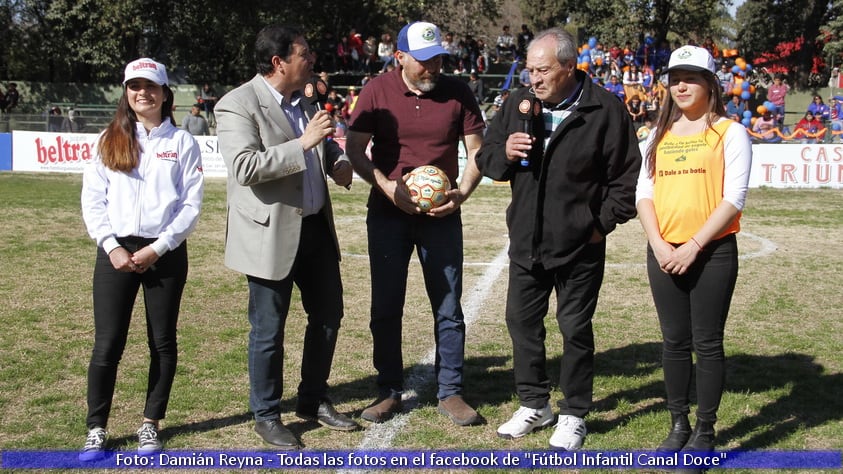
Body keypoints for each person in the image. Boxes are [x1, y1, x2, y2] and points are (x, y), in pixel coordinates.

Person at [475, 27, 641, 449]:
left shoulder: (605, 109)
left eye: (543, 69)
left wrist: (598, 226)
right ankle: (534, 403)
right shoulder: (517, 103)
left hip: (581, 244)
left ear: (569, 66)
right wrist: (504, 153)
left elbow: (626, 179)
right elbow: (487, 159)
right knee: (522, 323)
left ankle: (574, 413)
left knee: (574, 327)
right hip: (527, 240)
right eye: (530, 69)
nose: (533, 78)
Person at [214, 24, 357, 450]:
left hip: (314, 227)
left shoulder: (305, 97)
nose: (312, 60)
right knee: (268, 330)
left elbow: (322, 143)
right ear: (279, 62)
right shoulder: (236, 104)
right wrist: (304, 142)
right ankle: (267, 415)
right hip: (270, 234)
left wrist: (337, 159)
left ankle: (312, 400)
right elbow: (245, 167)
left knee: (328, 317)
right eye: (305, 54)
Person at [344, 20, 486, 427]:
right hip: (388, 214)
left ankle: (451, 391)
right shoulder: (377, 90)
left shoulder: (458, 91)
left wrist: (461, 192)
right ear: (400, 56)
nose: (433, 67)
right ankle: (388, 391)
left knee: (447, 304)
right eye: (424, 61)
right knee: (386, 305)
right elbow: (355, 148)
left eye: (438, 58)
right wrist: (388, 188)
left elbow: (476, 150)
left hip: (442, 216)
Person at [79, 58, 204, 461]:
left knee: (162, 342)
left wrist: (158, 248)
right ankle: (96, 428)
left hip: (163, 253)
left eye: (150, 86)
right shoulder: (109, 139)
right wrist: (112, 246)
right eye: (134, 87)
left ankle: (150, 423)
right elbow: (93, 201)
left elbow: (190, 207)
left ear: (165, 93)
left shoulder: (182, 142)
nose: (142, 93)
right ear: (126, 93)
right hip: (115, 252)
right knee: (107, 344)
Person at [636, 45, 752, 456]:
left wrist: (694, 247)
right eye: (674, 78)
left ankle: (705, 430)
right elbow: (644, 195)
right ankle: (678, 423)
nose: (680, 85)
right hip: (664, 252)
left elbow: (733, 198)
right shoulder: (656, 135)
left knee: (707, 343)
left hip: (712, 253)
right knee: (672, 342)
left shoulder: (729, 132)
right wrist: (660, 244)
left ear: (710, 84)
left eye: (691, 77)